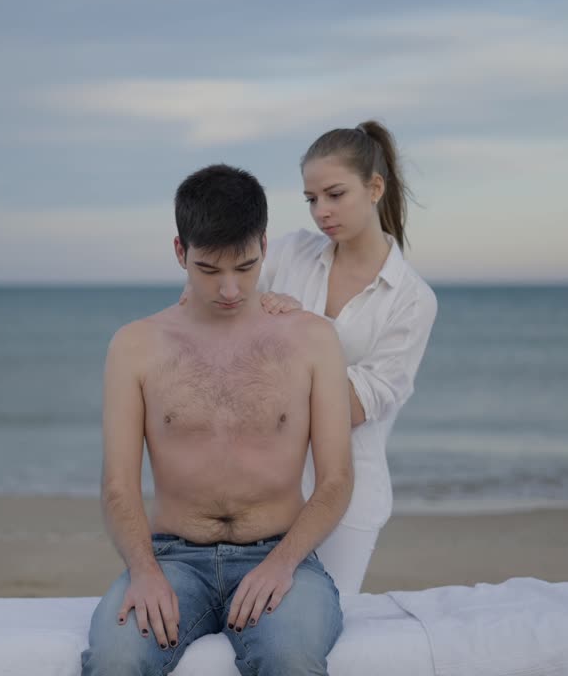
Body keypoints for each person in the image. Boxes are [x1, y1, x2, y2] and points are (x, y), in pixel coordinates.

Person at [81, 164, 354, 676]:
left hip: (281, 553)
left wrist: (282, 563)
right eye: (209, 270)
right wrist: (143, 572)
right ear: (181, 252)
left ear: (264, 247)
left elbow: (337, 479)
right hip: (172, 559)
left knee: (291, 660)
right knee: (116, 659)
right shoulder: (135, 346)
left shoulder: (312, 340)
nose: (230, 289)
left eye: (246, 267)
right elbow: (118, 486)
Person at [256, 121, 438, 597]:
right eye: (312, 199)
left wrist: (297, 331)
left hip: (349, 502)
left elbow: (357, 407)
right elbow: (219, 312)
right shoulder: (290, 254)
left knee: (321, 627)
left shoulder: (413, 301)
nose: (322, 211)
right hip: (259, 485)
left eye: (335, 194)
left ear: (374, 188)